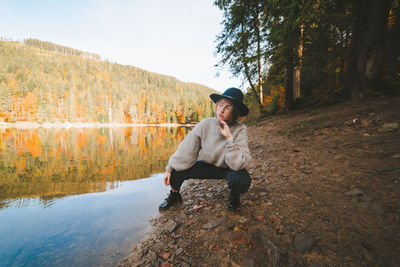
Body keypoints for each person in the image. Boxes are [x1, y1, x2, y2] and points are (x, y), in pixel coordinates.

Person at [159, 87, 252, 211]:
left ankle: (234, 196)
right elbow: (186, 149)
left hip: (229, 168)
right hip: (208, 166)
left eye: (228, 107)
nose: (222, 110)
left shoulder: (240, 129)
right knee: (177, 170)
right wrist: (169, 169)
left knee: (241, 180)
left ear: (235, 111)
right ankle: (175, 195)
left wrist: (230, 139)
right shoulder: (205, 124)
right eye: (220, 105)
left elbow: (238, 164)